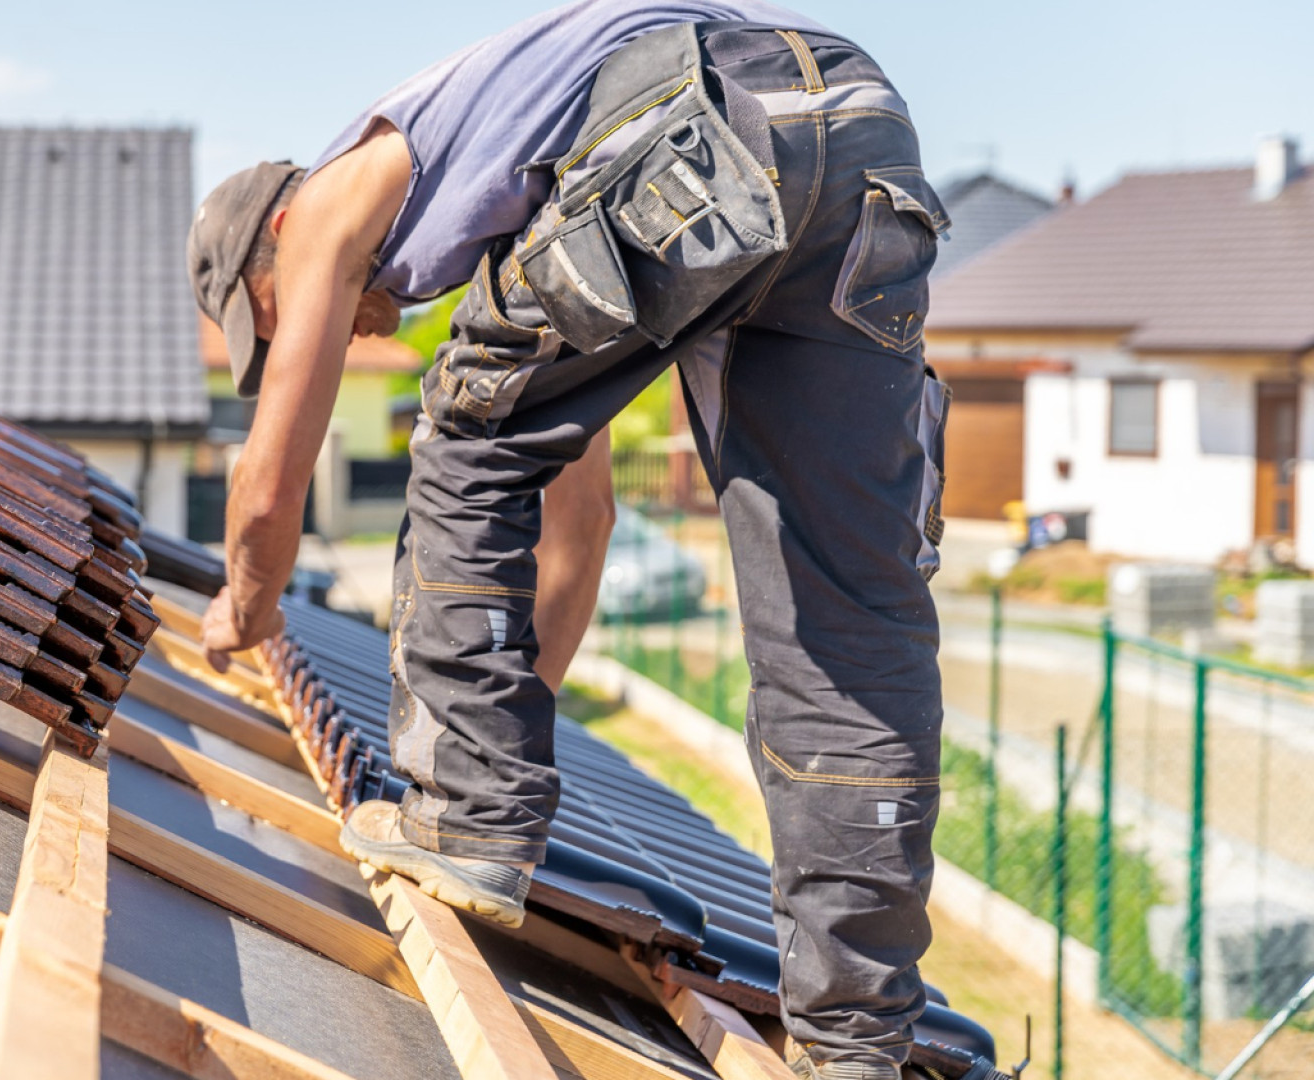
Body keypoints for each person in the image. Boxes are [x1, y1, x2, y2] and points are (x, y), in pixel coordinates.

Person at [185, 3, 952, 1076]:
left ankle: (460, 821)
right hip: (858, 134)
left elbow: (270, 486)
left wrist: (247, 606)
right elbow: (580, 521)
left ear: (271, 237)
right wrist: (504, 721)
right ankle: (855, 1039)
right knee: (844, 613)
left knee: (463, 430)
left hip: (696, 110)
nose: (305, 340)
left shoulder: (326, 199)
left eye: (264, 321)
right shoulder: (515, 208)